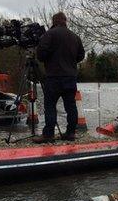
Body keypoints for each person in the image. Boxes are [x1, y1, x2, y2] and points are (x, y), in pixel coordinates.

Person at [32, 12, 85, 143]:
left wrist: (50, 57)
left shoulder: (49, 34)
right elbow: (81, 55)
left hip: (54, 76)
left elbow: (41, 54)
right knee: (71, 106)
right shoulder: (75, 37)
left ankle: (48, 134)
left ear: (54, 21)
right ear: (65, 21)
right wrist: (70, 61)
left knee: (50, 105)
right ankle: (71, 133)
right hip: (70, 77)